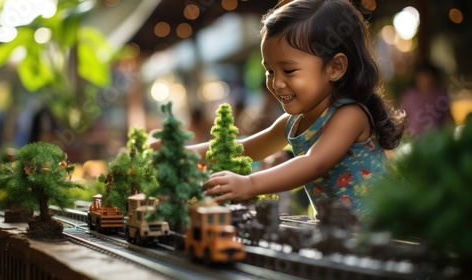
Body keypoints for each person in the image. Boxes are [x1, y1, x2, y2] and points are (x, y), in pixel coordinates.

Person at [161, 0, 406, 220]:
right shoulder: (291, 122)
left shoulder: (349, 115)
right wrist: (182, 152)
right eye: (270, 71)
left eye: (288, 71)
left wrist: (250, 183)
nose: (276, 83)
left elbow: (313, 163)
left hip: (388, 230)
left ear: (335, 67)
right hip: (345, 236)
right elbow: (245, 148)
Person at [400, 62, 453, 138]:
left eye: (428, 76)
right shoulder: (410, 96)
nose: (426, 80)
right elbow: (403, 119)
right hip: (415, 141)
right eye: (422, 77)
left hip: (437, 140)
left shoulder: (441, 95)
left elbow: (449, 118)